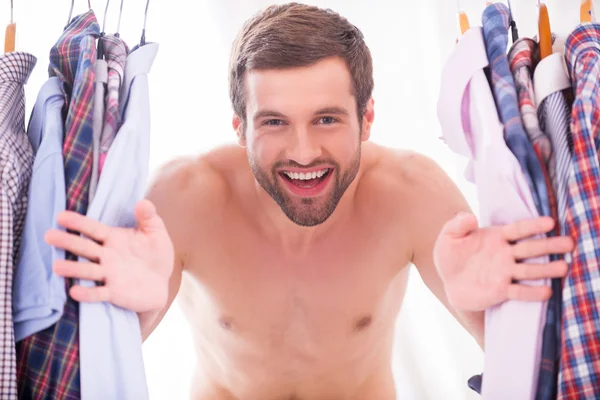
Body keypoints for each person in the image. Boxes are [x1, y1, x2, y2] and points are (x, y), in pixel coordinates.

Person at [45, 3, 574, 399]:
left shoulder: (411, 192)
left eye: (327, 118)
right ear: (240, 128)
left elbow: (525, 368)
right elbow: (92, 374)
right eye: (274, 122)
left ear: (367, 118)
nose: (303, 153)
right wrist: (123, 320)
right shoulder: (181, 200)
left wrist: (495, 317)